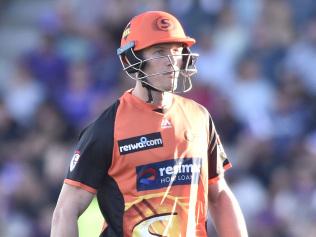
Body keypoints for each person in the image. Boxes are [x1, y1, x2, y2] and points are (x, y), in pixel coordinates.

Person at [51, 10, 248, 237]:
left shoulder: (200, 117)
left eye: (176, 50)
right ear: (132, 59)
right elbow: (65, 211)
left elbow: (219, 194)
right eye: (159, 51)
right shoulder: (107, 128)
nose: (171, 61)